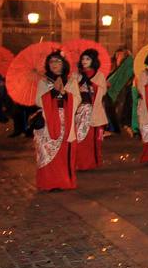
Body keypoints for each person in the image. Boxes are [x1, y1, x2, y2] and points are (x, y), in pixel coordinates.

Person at [35, 51, 78, 192]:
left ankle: (63, 180)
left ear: (63, 64)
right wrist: (53, 92)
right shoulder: (43, 81)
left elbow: (77, 99)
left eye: (58, 61)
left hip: (65, 119)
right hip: (48, 121)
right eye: (52, 61)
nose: (54, 64)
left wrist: (65, 94)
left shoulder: (71, 81)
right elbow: (38, 101)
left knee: (63, 152)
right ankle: (49, 181)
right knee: (47, 152)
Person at [69, 49, 109, 171]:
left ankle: (90, 163)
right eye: (83, 59)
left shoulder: (99, 75)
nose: (84, 61)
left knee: (91, 140)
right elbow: (70, 92)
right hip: (80, 111)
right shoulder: (76, 75)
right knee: (80, 138)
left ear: (93, 61)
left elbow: (102, 92)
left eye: (88, 59)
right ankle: (79, 163)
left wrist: (89, 84)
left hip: (94, 111)